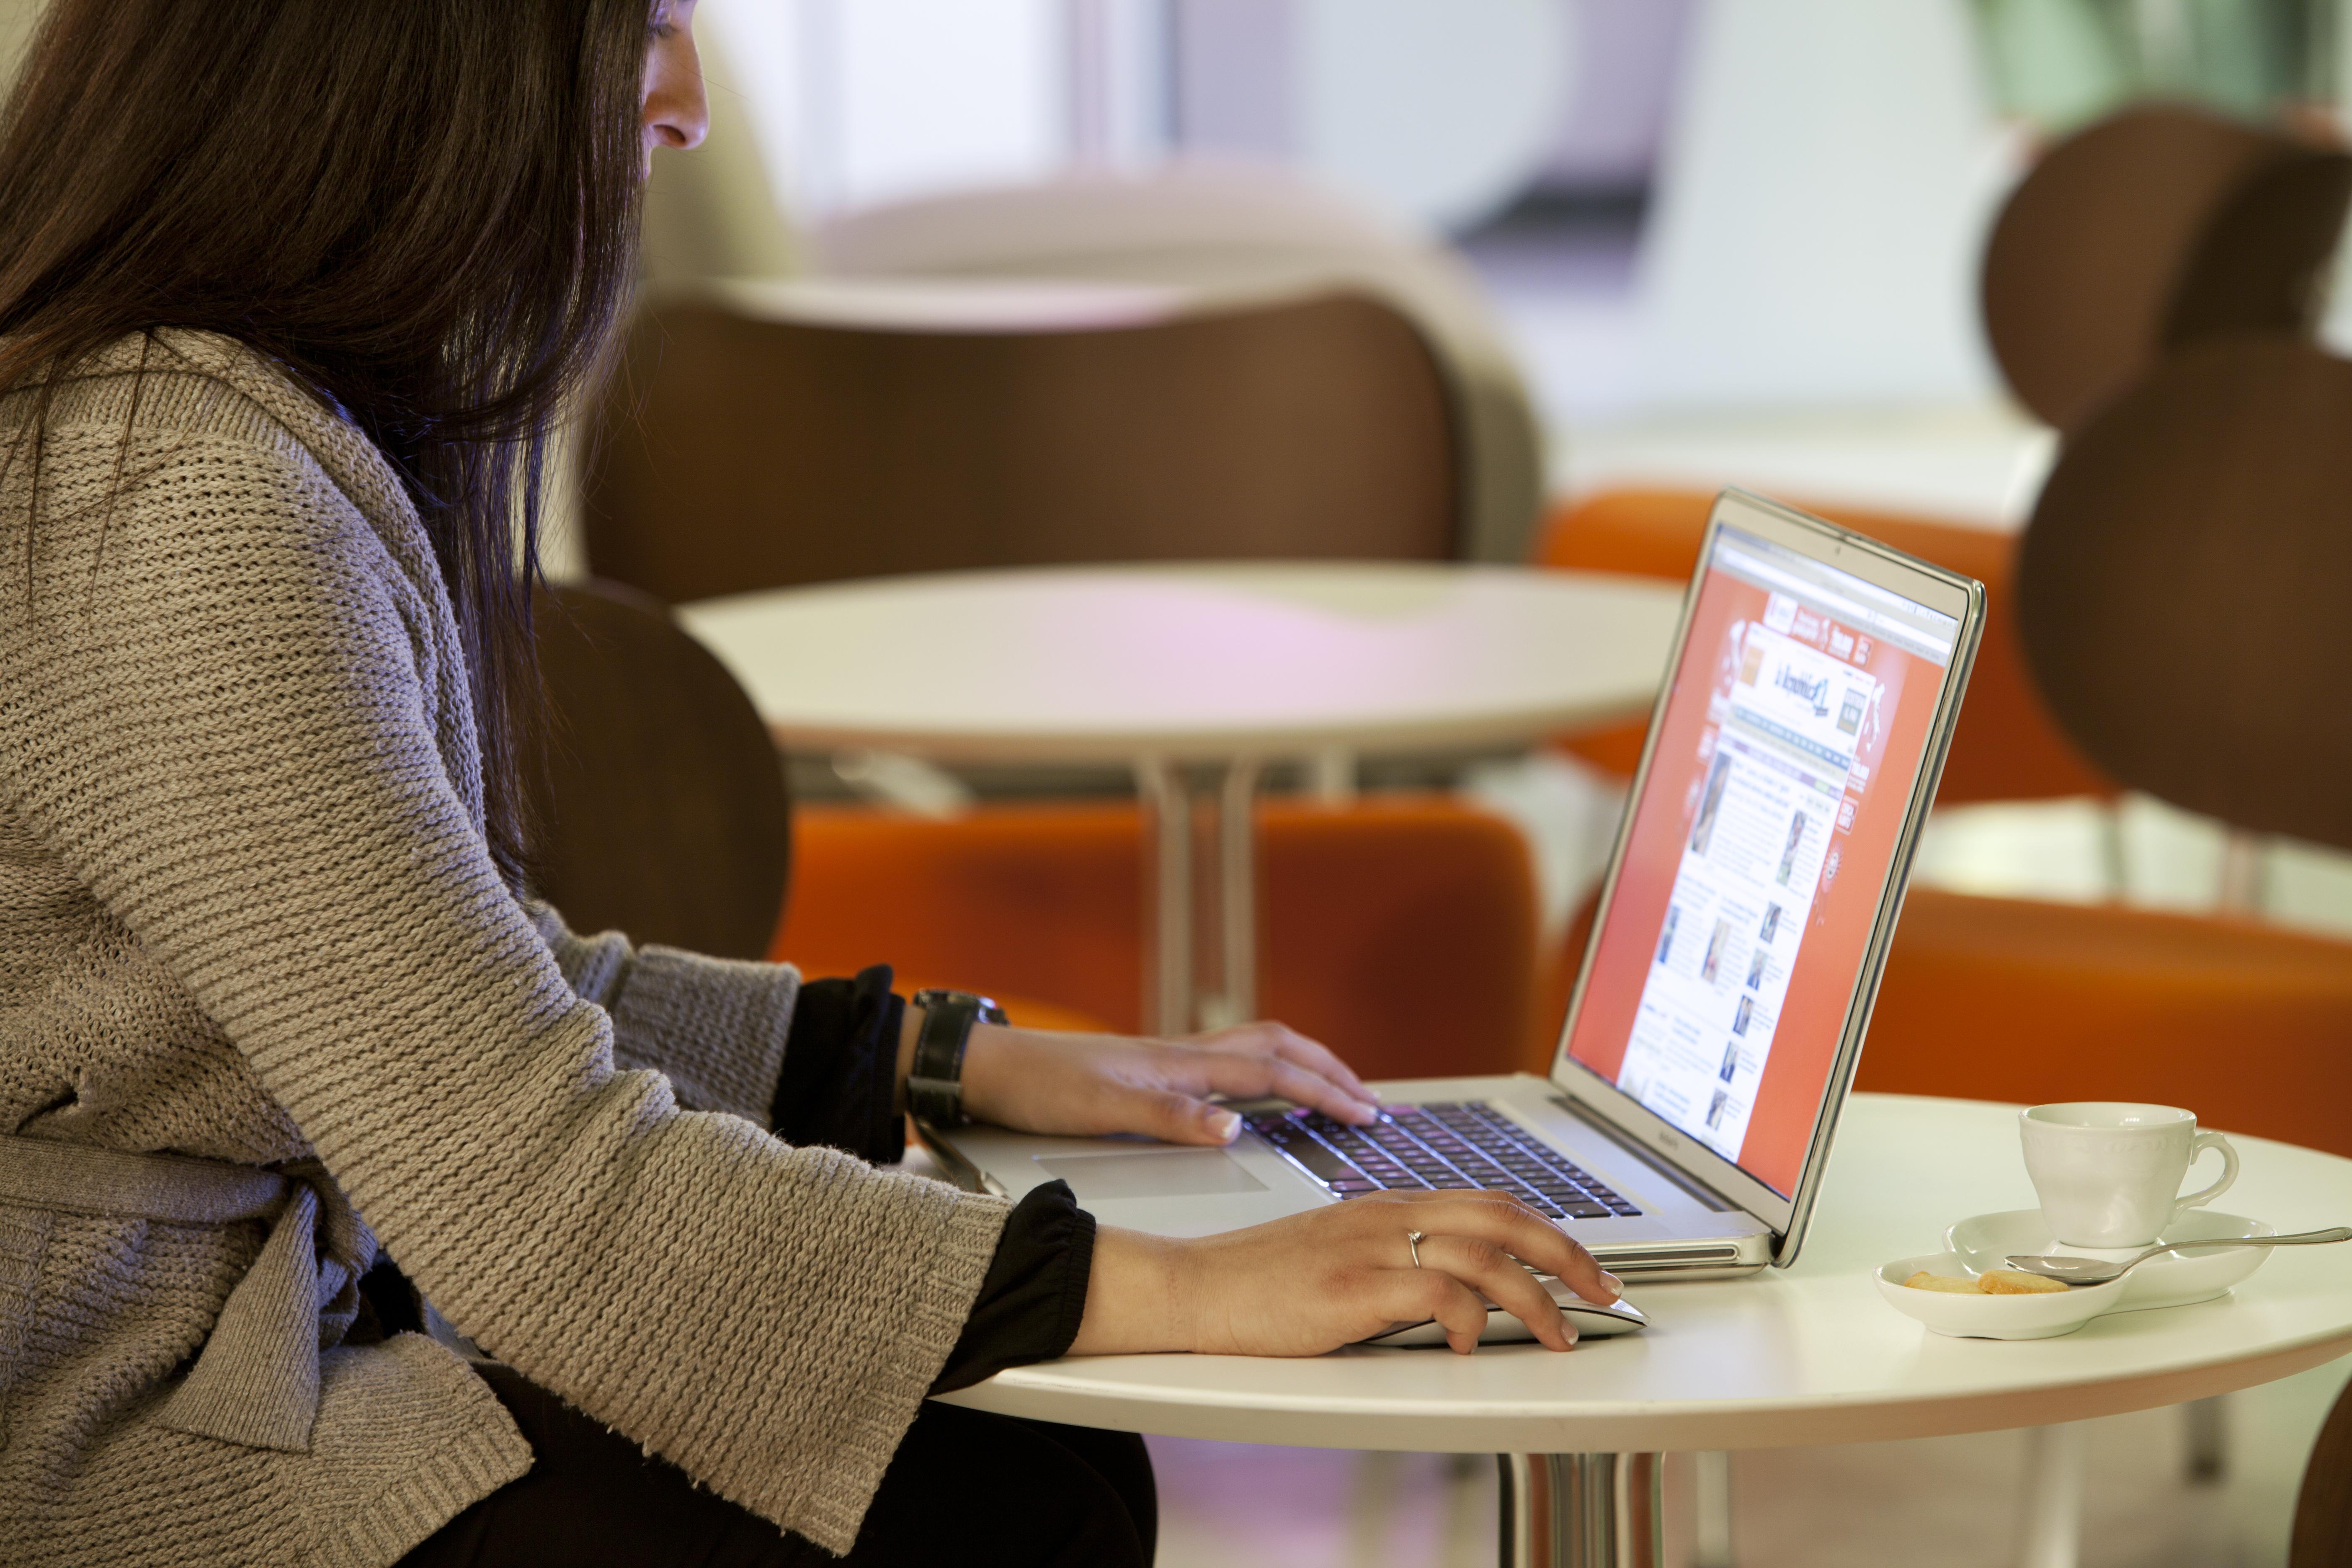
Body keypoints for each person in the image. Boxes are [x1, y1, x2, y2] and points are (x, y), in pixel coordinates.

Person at [0, 3, 1622, 1565]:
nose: (686, 96)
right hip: (87, 1432)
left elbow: (443, 990)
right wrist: (1181, 1290)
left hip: (186, 1354)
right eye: (638, 19)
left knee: (994, 1468)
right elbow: (525, 1180)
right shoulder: (182, 495)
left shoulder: (195, 425)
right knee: (994, 1495)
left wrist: (923, 1057)